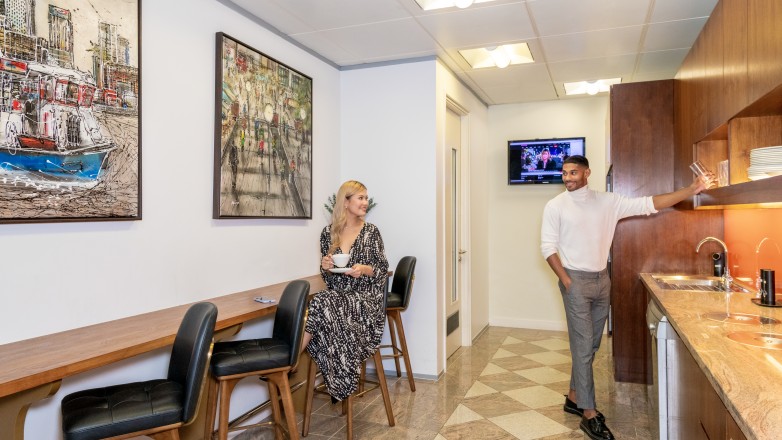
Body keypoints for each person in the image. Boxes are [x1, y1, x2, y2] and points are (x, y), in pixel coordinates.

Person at [539, 155, 709, 440]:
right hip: (575, 281)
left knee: (590, 344)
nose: (567, 178)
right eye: (564, 173)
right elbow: (547, 248)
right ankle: (589, 413)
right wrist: (568, 282)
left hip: (602, 280)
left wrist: (690, 190)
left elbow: (649, 204)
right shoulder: (555, 206)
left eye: (573, 173)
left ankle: (572, 396)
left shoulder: (608, 202)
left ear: (587, 173)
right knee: (582, 347)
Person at [301, 180, 389, 402]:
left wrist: (364, 269)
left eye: (366, 198)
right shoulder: (328, 234)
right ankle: (340, 373)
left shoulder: (371, 232)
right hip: (339, 298)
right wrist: (326, 267)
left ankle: (293, 358)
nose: (365, 202)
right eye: (360, 198)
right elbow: (328, 280)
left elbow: (382, 270)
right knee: (324, 302)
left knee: (320, 302)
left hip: (366, 302)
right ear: (346, 201)